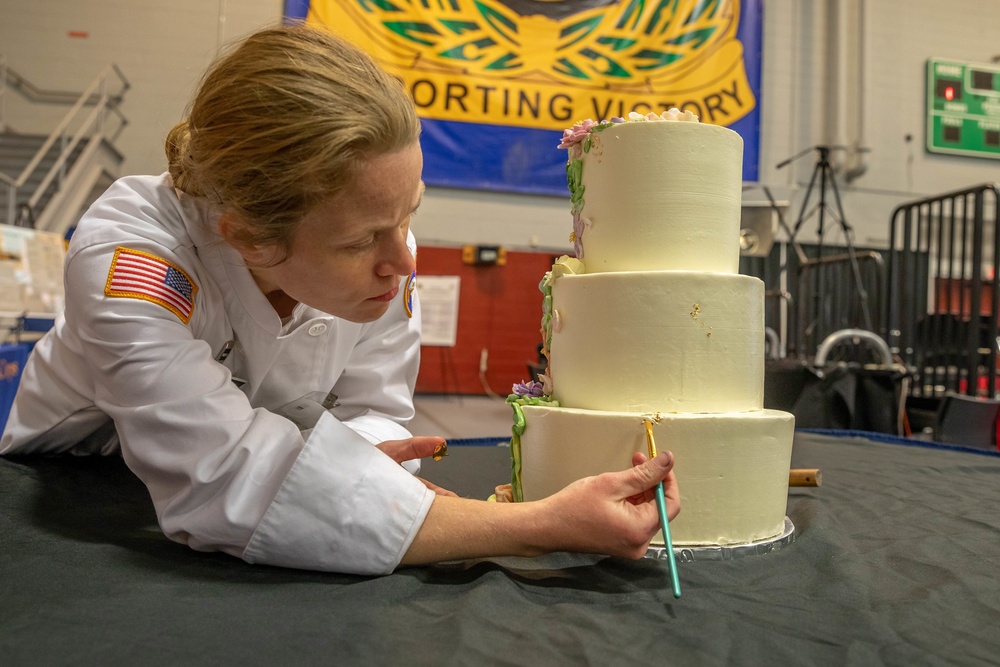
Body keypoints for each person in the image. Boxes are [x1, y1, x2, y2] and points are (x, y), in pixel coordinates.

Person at [0, 23, 679, 575]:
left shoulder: (378, 252)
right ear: (251, 240)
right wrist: (540, 527)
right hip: (69, 493)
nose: (404, 261)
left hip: (244, 481)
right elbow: (225, 482)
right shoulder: (134, 260)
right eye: (362, 242)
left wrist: (356, 471)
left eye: (408, 215)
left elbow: (372, 408)